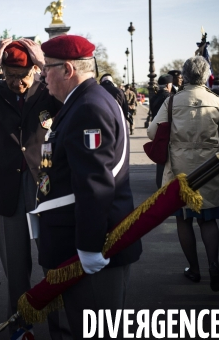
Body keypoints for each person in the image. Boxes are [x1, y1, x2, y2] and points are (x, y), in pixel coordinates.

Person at [38, 34, 142, 337]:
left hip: (89, 246)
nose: (43, 76)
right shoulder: (88, 100)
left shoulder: (87, 108)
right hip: (85, 240)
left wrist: (88, 246)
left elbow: (94, 185)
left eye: (47, 68)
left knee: (91, 329)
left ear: (67, 70)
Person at [0, 39, 66, 339]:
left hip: (43, 184)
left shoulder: (47, 90)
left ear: (34, 70)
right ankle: (21, 326)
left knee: (53, 262)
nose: (16, 82)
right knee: (15, 265)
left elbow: (70, 103)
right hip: (7, 187)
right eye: (9, 75)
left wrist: (45, 62)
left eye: (22, 75)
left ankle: (60, 328)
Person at [149, 57, 219, 292]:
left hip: (179, 166)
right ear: (206, 76)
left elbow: (152, 131)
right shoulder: (216, 100)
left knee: (184, 219)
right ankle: (213, 264)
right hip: (209, 165)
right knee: (209, 218)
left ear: (183, 76)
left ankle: (194, 268)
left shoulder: (173, 101)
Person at [149, 74, 173, 189]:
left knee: (160, 158)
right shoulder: (169, 97)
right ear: (168, 85)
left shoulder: (154, 96)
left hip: (157, 128)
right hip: (166, 130)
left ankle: (159, 184)